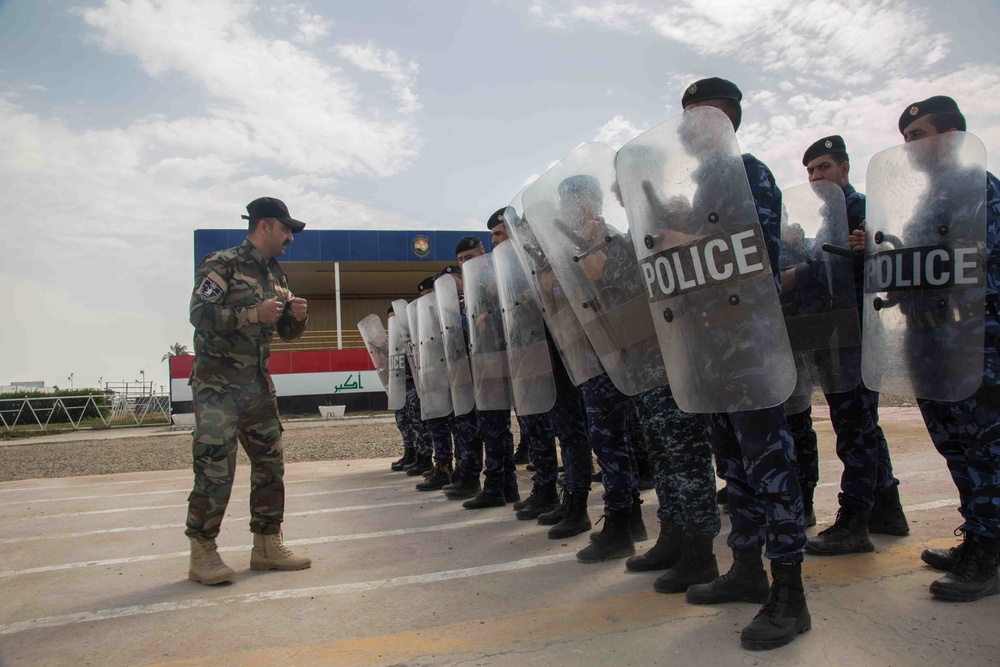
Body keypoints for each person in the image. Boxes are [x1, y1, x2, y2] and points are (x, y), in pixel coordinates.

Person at [670, 78, 810, 651]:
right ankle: (747, 567)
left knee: (772, 467)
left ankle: (790, 594)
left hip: (748, 344)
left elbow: (757, 256)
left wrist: (686, 240)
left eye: (695, 115)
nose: (685, 127)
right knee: (734, 465)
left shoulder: (748, 174)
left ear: (725, 118)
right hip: (710, 349)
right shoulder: (701, 184)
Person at [851, 96, 1000, 602]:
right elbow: (914, 269)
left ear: (952, 137)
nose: (909, 147)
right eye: (906, 138)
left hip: (975, 347)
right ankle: (979, 537)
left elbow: (973, 268)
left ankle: (991, 553)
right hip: (932, 344)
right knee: (956, 448)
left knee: (986, 450)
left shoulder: (978, 190)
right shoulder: (928, 199)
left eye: (919, 136)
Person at [790, 135, 908, 556]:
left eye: (823, 167)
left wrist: (794, 276)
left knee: (854, 429)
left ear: (844, 169)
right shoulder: (831, 218)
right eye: (810, 171)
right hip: (839, 336)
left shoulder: (864, 211)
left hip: (860, 336)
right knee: (862, 426)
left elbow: (881, 258)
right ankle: (888, 510)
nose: (815, 176)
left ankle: (855, 522)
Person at [185, 196, 312, 585]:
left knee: (270, 464)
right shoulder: (221, 263)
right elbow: (199, 314)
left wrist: (297, 320)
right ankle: (203, 552)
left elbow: (285, 334)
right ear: (263, 226)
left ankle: (267, 546)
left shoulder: (276, 274)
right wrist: (252, 314)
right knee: (215, 467)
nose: (290, 236)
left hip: (256, 386)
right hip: (217, 386)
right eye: (285, 228)